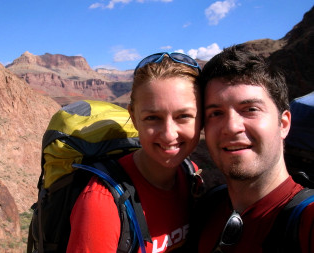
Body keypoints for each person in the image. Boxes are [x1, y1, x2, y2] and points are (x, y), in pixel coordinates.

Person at [66, 52, 203, 252]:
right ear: (134, 116)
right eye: (152, 118)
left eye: (183, 116)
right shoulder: (101, 202)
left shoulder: (192, 176)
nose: (168, 134)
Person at [194, 46, 314, 253]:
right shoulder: (206, 209)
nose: (231, 127)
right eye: (215, 113)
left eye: (250, 109)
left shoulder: (307, 221)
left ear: (283, 123)